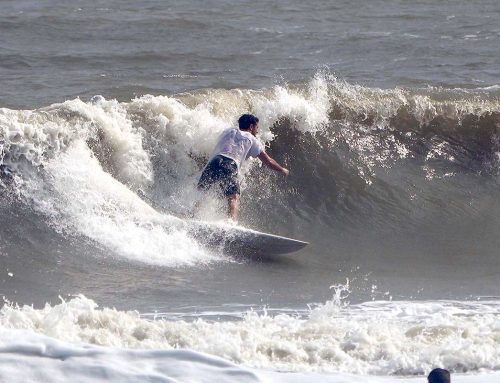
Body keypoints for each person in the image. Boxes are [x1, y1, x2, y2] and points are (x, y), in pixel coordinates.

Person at [197, 114, 289, 220]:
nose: (257, 131)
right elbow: (268, 161)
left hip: (214, 161)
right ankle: (231, 223)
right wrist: (282, 169)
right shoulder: (252, 139)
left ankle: (192, 214)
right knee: (233, 197)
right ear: (251, 127)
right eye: (257, 127)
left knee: (201, 191)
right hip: (230, 164)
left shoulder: (228, 131)